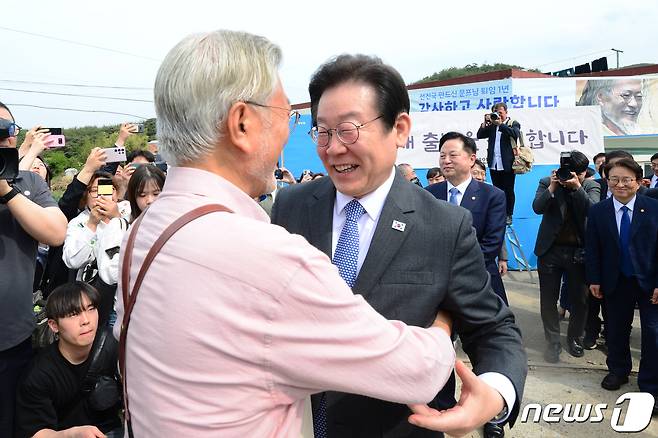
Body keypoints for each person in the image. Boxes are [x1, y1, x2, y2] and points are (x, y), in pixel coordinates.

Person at [113, 30, 458, 437]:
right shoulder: (267, 257)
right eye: (286, 118)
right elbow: (414, 373)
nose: (319, 144)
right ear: (241, 123)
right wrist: (442, 325)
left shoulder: (142, 231)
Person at [272, 54, 526, 438]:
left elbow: (492, 328)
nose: (333, 148)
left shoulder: (444, 225)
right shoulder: (291, 207)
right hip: (296, 424)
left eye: (349, 129)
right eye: (322, 132)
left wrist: (494, 393)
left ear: (400, 128)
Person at [0, 104, 68, 437]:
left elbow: (56, 232)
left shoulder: (28, 182)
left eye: (7, 131)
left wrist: (7, 191)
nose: (2, 138)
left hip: (13, 341)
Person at [585, 158, 658, 415]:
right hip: (614, 281)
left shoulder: (653, 208)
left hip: (650, 282)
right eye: (614, 179)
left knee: (653, 333)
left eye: (627, 179)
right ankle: (618, 371)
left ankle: (650, 384)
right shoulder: (598, 211)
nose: (621, 184)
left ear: (638, 182)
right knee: (616, 329)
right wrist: (594, 279)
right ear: (607, 181)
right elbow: (592, 248)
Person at [14, 282, 123, 438]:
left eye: (91, 309)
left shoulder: (113, 345)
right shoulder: (38, 374)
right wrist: (73, 434)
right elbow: (35, 433)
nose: (86, 320)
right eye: (73, 314)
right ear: (53, 325)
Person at [532, 150, 600, 363]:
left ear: (584, 173)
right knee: (548, 300)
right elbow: (537, 207)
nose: (572, 176)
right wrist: (553, 187)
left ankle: (575, 339)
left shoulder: (591, 185)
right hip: (550, 250)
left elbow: (595, 211)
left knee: (580, 300)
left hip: (579, 252)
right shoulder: (547, 182)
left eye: (578, 174)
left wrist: (577, 188)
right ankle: (552, 342)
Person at [427, 132, 509, 305]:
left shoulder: (493, 195)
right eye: (442, 156)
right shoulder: (428, 195)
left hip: (479, 279)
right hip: (436, 284)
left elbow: (492, 242)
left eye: (453, 155)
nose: (446, 160)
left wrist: (455, 268)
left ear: (471, 159)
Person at [62, 171, 131, 327]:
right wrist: (92, 225)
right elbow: (72, 261)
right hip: (94, 302)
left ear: (116, 193)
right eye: (94, 190)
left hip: (127, 300)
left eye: (107, 188)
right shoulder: (78, 223)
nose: (101, 195)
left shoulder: (128, 210)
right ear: (85, 196)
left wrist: (116, 219)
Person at [476, 102, 520, 224]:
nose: (498, 115)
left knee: (509, 190)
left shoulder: (513, 123)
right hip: (494, 162)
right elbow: (479, 135)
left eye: (500, 113)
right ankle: (499, 212)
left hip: (508, 163)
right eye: (496, 113)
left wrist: (500, 124)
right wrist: (485, 123)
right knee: (497, 190)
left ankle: (509, 214)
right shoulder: (491, 125)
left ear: (506, 112)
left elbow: (515, 134)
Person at [577, 79, 644, 136]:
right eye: (626, 95)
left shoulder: (641, 133)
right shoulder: (589, 135)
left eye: (639, 96)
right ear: (601, 97)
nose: (634, 104)